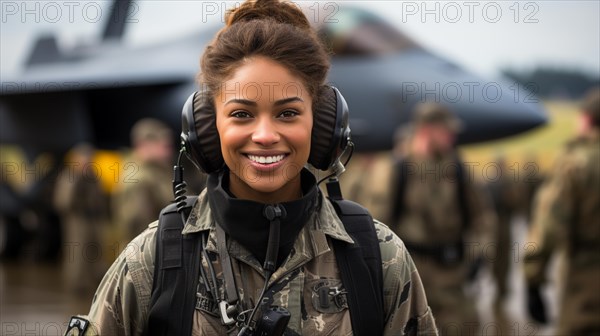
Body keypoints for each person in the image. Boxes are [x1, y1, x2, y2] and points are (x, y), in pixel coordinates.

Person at [64, 1, 437, 335]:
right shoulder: (155, 259)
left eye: (288, 113)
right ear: (208, 129)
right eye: (241, 114)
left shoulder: (378, 256)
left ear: (322, 124)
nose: (264, 135)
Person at [388, 102, 495, 336]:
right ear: (427, 130)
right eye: (446, 131)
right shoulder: (399, 168)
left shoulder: (457, 168)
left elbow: (483, 217)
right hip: (411, 274)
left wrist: (479, 254)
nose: (451, 136)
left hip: (451, 273)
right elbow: (379, 225)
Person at [523, 87, 600, 335]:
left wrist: (532, 279)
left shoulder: (577, 163)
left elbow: (550, 224)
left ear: (586, 119)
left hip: (586, 282)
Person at [111, 118, 175, 249]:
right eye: (163, 145)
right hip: (149, 255)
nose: (168, 150)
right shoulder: (137, 178)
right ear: (144, 145)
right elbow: (137, 229)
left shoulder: (157, 172)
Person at [54, 143, 109, 293]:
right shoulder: (70, 175)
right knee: (77, 251)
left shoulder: (92, 175)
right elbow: (63, 201)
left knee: (95, 251)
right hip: (77, 218)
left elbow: (99, 197)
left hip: (94, 218)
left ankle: (93, 281)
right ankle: (77, 284)